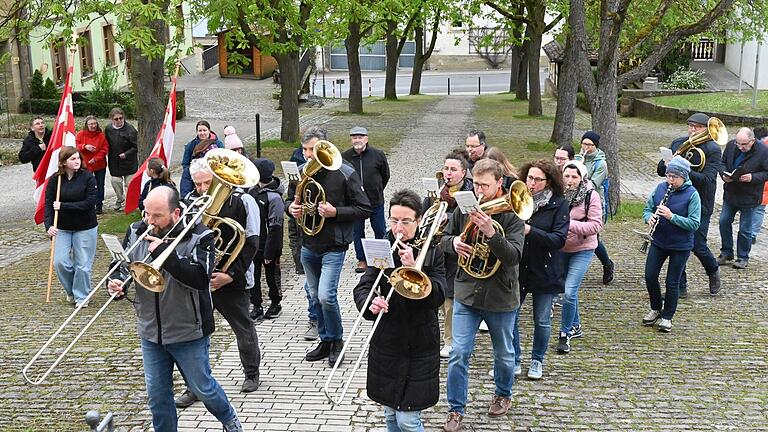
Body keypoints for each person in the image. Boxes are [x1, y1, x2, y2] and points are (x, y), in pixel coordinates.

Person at [106, 187, 243, 432]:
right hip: (150, 330)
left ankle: (229, 418)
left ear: (176, 213)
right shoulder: (136, 230)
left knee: (203, 388)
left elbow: (200, 279)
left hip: (188, 330)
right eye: (147, 213)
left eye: (157, 216)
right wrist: (117, 284)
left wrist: (164, 254)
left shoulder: (200, 236)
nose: (149, 221)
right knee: (157, 396)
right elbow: (123, 265)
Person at [440, 159, 525, 432]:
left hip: (500, 296)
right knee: (458, 353)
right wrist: (453, 243)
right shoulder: (464, 207)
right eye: (476, 184)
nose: (479, 191)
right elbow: (443, 237)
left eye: (484, 185)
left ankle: (503, 393)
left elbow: (513, 256)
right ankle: (455, 410)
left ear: (499, 184)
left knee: (503, 354)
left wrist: (490, 233)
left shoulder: (513, 214)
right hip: (467, 292)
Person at [353, 189, 447, 432]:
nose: (399, 228)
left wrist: (416, 268)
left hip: (419, 343)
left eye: (406, 221)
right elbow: (363, 286)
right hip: (387, 341)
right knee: (390, 415)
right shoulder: (382, 246)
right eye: (394, 220)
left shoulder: (433, 250)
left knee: (408, 420)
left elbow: (438, 295)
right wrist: (371, 303)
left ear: (418, 221)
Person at [175, 157, 262, 408]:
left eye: (207, 183)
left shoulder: (244, 201)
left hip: (231, 278)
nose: (203, 189)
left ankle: (251, 373)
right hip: (199, 278)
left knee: (242, 327)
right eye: (198, 184)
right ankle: (194, 386)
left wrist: (230, 275)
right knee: (193, 333)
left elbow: (251, 243)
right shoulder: (191, 202)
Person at [288, 126, 371, 366]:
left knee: (326, 295)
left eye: (312, 150)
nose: (308, 155)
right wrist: (290, 208)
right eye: (304, 150)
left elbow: (364, 208)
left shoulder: (345, 172)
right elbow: (290, 201)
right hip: (309, 243)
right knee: (314, 295)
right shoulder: (302, 173)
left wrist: (336, 212)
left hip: (334, 244)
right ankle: (325, 340)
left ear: (325, 148)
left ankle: (336, 340)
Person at [514, 160, 569, 379]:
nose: (532, 183)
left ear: (548, 182)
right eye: (529, 178)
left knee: (542, 320)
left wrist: (531, 231)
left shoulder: (559, 204)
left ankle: (537, 360)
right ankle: (514, 359)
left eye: (538, 180)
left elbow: (559, 239)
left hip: (545, 269)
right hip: (519, 267)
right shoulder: (518, 200)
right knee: (510, 317)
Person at [657, 113, 722, 294]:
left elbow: (708, 179)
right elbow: (660, 170)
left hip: (700, 202)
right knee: (677, 243)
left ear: (707, 129)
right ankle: (680, 286)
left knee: (697, 244)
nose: (692, 130)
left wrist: (682, 168)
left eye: (697, 127)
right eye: (690, 126)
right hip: (676, 200)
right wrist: (666, 163)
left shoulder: (712, 149)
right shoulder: (679, 143)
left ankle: (713, 270)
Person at [422, 149, 474, 359]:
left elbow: (469, 221)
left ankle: (449, 340)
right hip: (434, 251)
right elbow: (424, 217)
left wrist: (449, 220)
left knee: (449, 302)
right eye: (446, 168)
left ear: (463, 173)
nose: (448, 173)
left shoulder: (466, 196)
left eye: (453, 170)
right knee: (432, 296)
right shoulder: (435, 193)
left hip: (454, 252)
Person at [642, 156, 701, 333]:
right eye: (668, 176)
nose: (670, 180)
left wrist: (671, 217)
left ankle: (667, 317)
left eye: (674, 177)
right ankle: (655, 307)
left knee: (672, 282)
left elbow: (694, 223)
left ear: (684, 177)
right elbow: (647, 209)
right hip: (659, 241)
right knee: (650, 275)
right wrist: (649, 218)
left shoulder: (692, 195)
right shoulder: (661, 188)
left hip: (680, 245)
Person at [556, 160, 603, 354]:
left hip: (583, 248)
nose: (570, 180)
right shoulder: (557, 194)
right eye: (566, 176)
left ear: (582, 178)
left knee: (569, 291)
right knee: (567, 291)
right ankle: (576, 326)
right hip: (560, 247)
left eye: (574, 177)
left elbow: (595, 226)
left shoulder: (591, 196)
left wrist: (569, 224)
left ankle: (564, 333)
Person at [44, 147, 98, 308]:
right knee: (60, 262)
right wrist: (48, 226)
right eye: (72, 159)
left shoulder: (88, 178)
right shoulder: (56, 180)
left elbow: (90, 203)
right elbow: (48, 205)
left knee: (82, 264)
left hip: (85, 227)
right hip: (62, 227)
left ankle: (82, 296)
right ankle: (72, 291)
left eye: (78, 158)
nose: (77, 161)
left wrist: (64, 206)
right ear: (63, 162)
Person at [342, 126, 391, 273]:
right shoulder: (345, 157)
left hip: (375, 201)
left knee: (380, 229)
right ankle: (362, 259)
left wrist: (377, 189)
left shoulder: (378, 155)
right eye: (354, 137)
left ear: (366, 139)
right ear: (351, 139)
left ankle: (381, 258)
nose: (357, 140)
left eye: (360, 137)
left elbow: (385, 175)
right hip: (355, 203)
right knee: (358, 231)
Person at [718, 127, 768, 269]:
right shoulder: (731, 145)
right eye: (738, 144)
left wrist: (753, 177)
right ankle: (727, 252)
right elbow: (722, 163)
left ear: (752, 141)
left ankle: (742, 257)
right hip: (731, 193)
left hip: (750, 196)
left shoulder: (763, 151)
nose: (740, 147)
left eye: (744, 144)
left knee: (745, 229)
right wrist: (723, 175)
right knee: (723, 222)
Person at [248, 158, 285, 321]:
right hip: (254, 243)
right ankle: (256, 305)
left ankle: (276, 303)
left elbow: (276, 227)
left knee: (272, 275)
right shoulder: (252, 191)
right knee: (253, 276)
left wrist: (271, 251)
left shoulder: (274, 197)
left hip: (269, 244)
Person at [579, 131, 615, 285]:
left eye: (590, 145)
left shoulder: (601, 164)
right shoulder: (578, 158)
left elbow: (593, 184)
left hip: (594, 202)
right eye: (584, 144)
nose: (586, 147)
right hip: (577, 200)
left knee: (593, 237)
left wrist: (580, 174)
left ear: (595, 146)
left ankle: (607, 263)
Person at [104, 108, 139, 211]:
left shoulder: (130, 130)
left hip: (129, 162)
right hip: (114, 162)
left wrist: (126, 154)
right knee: (115, 181)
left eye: (121, 118)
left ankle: (130, 204)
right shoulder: (108, 129)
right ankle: (120, 199)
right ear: (112, 119)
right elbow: (105, 143)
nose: (119, 121)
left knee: (129, 183)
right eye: (116, 119)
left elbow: (136, 146)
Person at [76, 116, 109, 214]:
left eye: (94, 123)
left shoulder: (101, 135)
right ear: (87, 125)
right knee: (85, 185)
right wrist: (85, 146)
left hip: (99, 164)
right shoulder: (81, 134)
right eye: (91, 124)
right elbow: (76, 146)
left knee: (99, 185)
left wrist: (96, 158)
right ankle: (86, 204)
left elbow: (105, 148)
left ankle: (99, 205)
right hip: (85, 165)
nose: (93, 126)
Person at [180, 120, 223, 197]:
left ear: (209, 131)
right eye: (200, 131)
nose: (202, 133)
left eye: (204, 130)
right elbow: (185, 163)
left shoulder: (218, 143)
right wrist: (194, 172)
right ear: (197, 132)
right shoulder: (191, 145)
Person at [751, 126, 767, 244]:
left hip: (759, 181)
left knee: (754, 209)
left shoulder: (760, 147)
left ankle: (749, 233)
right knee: (760, 210)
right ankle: (753, 234)